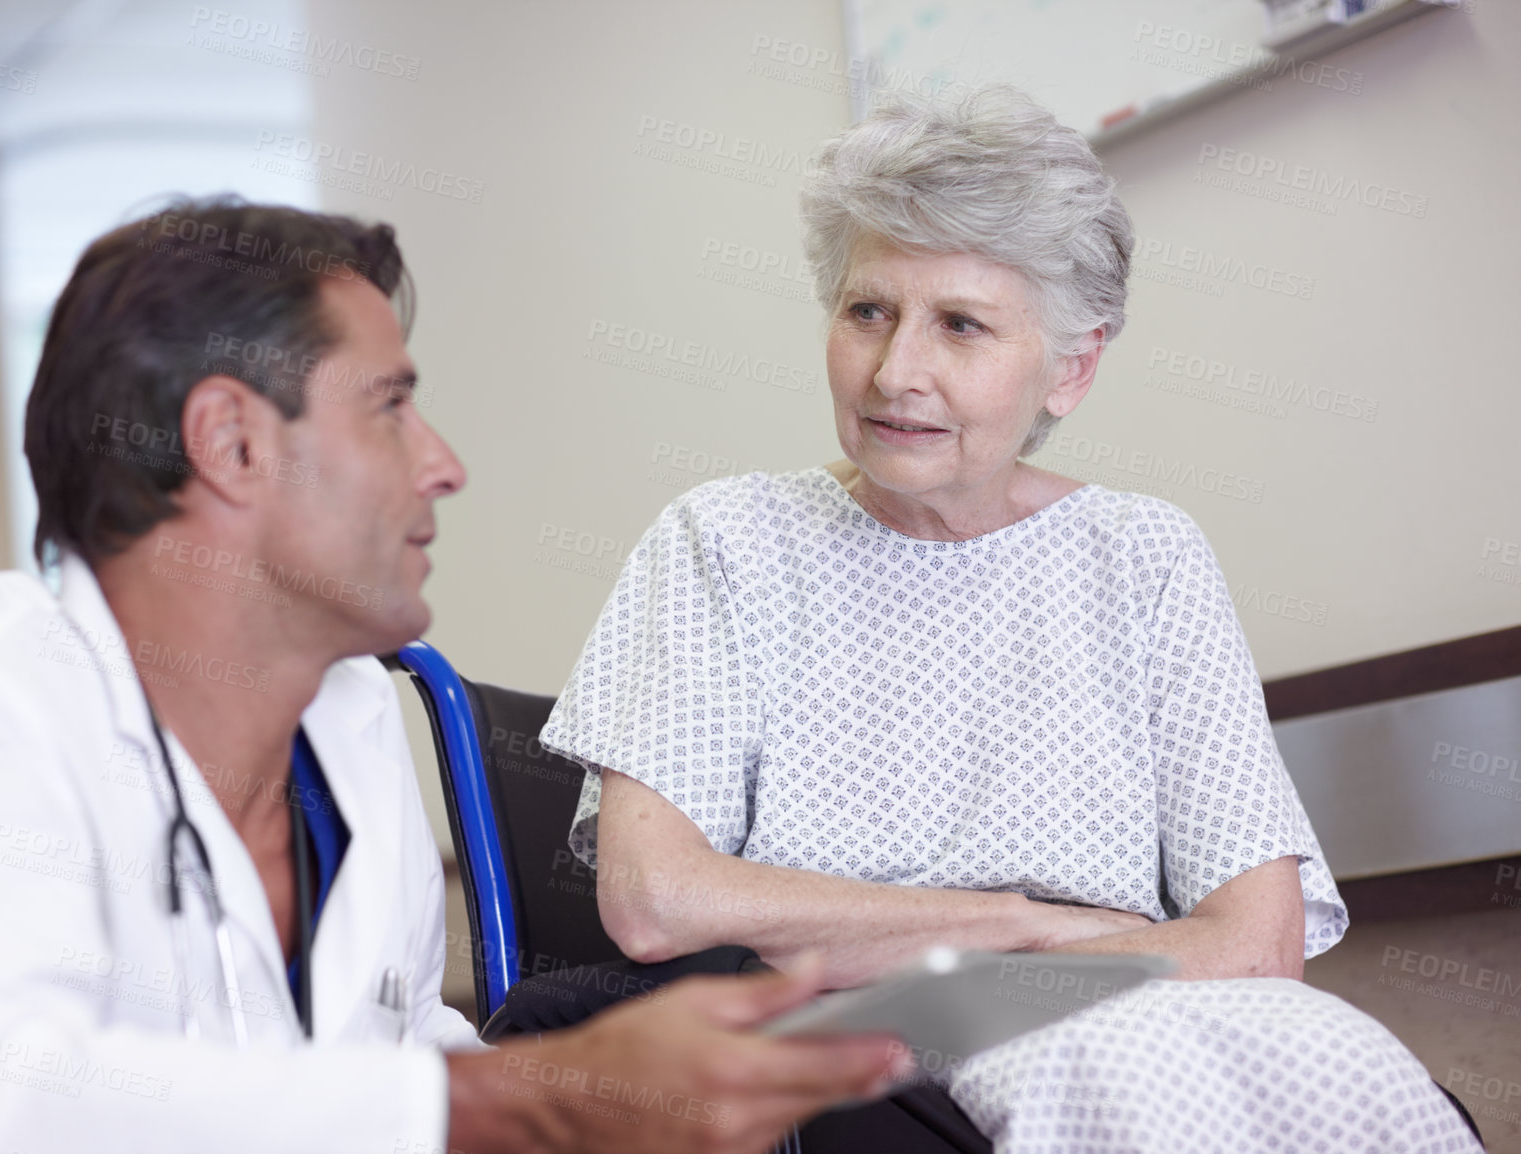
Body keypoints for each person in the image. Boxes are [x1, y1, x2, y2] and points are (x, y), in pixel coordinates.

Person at [0, 198, 913, 1154]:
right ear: (230, 443)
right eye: (390, 406)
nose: (445, 463)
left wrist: (617, 1104)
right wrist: (544, 1095)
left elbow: (400, 1046)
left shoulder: (350, 716)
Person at [541, 90, 1483, 1152]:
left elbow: (1257, 943)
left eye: (961, 324)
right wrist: (1017, 926)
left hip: (1133, 1010)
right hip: (845, 1034)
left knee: (1342, 1066)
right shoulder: (725, 537)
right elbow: (655, 898)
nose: (897, 370)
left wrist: (1052, 976)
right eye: (867, 310)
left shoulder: (1144, 557)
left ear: (1069, 368)